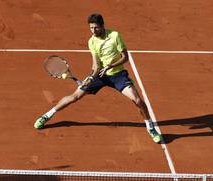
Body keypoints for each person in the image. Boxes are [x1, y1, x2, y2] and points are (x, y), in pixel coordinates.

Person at [34, 13, 162, 144]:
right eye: (91, 28)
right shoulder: (91, 41)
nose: (93, 31)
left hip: (118, 75)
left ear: (102, 26)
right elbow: (96, 66)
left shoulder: (115, 36)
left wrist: (111, 65)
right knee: (75, 96)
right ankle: (47, 115)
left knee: (138, 100)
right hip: (100, 75)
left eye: (96, 28)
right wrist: (90, 78)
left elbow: (125, 57)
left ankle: (150, 127)